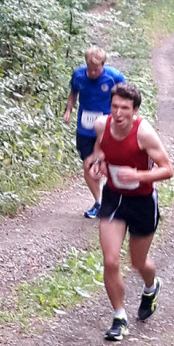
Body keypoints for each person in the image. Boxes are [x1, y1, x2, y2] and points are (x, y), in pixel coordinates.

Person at [89, 83, 173, 341]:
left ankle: (151, 286)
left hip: (143, 201)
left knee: (138, 262)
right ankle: (119, 317)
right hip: (115, 197)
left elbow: (167, 169)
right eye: (114, 106)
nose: (118, 113)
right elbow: (100, 149)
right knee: (111, 260)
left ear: (135, 110)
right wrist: (98, 162)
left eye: (124, 108)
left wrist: (139, 174)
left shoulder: (144, 134)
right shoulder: (102, 125)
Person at [63, 46, 126, 218]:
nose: (92, 72)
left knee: (110, 164)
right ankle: (99, 202)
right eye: (90, 68)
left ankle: (117, 202)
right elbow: (73, 92)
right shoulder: (78, 75)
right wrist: (68, 109)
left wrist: (122, 118)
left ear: (103, 65)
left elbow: (127, 97)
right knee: (88, 165)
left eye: (96, 69)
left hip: (108, 128)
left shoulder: (114, 77)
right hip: (85, 129)